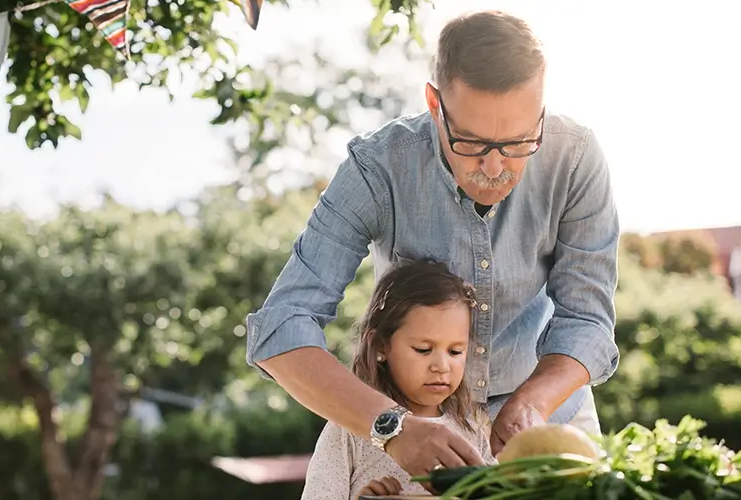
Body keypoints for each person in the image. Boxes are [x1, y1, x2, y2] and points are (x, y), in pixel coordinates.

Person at [246, 9, 620, 479]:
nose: (494, 167)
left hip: (548, 420)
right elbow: (281, 329)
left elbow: (587, 320)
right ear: (434, 103)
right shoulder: (376, 168)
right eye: (471, 142)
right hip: (408, 431)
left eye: (519, 142)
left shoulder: (577, 159)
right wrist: (392, 427)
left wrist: (533, 401)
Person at [300, 259, 496, 500]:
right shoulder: (349, 429)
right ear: (382, 346)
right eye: (423, 349)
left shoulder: (472, 436)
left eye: (455, 351)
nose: (442, 366)